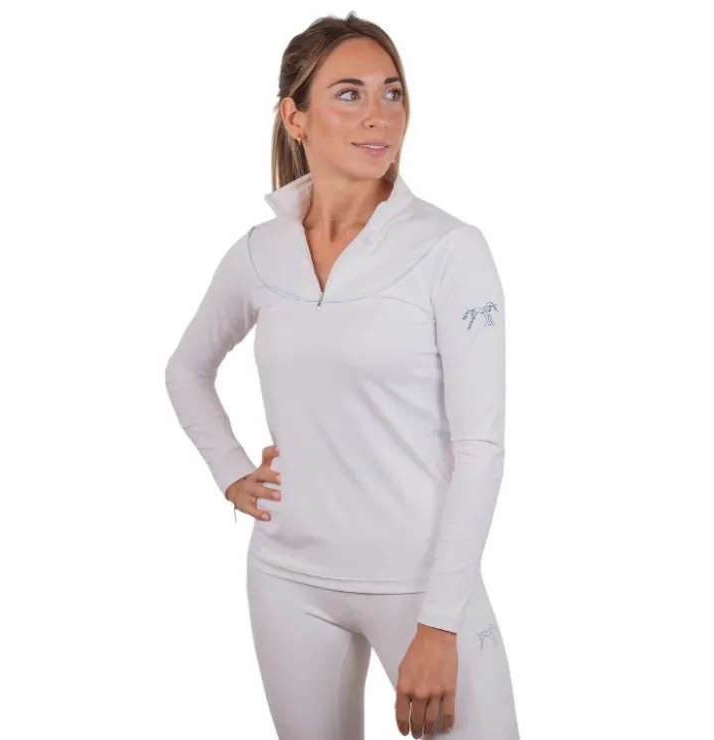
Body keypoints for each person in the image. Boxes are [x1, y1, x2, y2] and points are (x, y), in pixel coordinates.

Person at [165, 11, 520, 740]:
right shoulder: (260, 252)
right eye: (349, 93)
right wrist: (231, 472)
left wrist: (440, 624)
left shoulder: (450, 249)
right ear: (294, 117)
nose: (379, 115)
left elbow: (481, 449)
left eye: (393, 92)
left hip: (420, 584)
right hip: (287, 578)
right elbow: (186, 370)